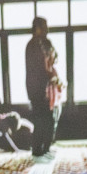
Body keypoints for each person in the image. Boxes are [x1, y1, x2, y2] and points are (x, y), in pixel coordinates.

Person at [24, 17, 60, 160]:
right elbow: (37, 67)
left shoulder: (44, 43)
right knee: (40, 118)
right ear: (36, 28)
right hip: (36, 86)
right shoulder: (32, 45)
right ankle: (38, 149)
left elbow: (53, 58)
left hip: (46, 86)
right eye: (43, 27)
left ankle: (45, 148)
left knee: (48, 118)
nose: (46, 29)